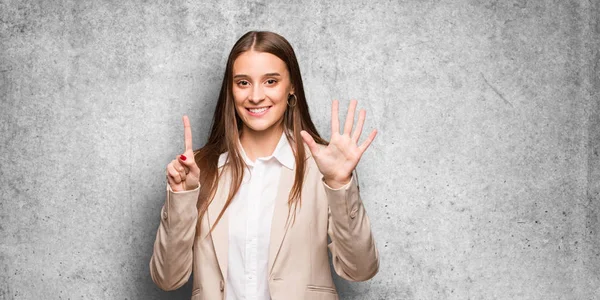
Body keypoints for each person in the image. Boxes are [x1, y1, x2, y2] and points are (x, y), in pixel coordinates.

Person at [149, 30, 379, 300]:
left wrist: (340, 184)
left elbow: (361, 270)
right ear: (231, 90)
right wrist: (182, 197)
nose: (256, 96)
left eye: (270, 81)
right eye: (243, 83)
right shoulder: (199, 171)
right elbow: (167, 279)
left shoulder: (323, 168)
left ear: (291, 86)